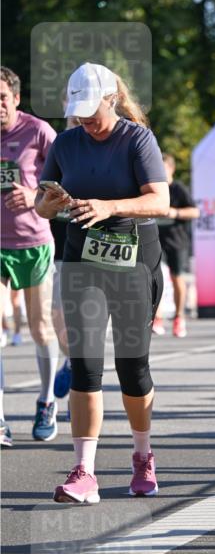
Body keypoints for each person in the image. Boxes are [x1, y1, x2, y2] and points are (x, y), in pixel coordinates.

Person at [35, 62, 169, 503]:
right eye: (79, 113)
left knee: (132, 367)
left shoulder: (137, 139)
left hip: (134, 260)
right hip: (83, 261)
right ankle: (84, 472)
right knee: (86, 362)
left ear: (111, 99)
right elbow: (41, 207)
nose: (86, 121)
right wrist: (51, 204)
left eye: (93, 111)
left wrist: (110, 208)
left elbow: (160, 201)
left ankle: (142, 455)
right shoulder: (68, 142)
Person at [1, 65, 59, 448]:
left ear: (16, 99)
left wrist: (34, 194)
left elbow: (64, 182)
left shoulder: (38, 131)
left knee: (40, 329)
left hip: (35, 243)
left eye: (1, 99)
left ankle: (47, 400)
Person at [153, 154, 200, 338]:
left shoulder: (178, 189)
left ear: (171, 169)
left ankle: (179, 317)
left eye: (163, 168)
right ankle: (157, 317)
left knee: (176, 277)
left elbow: (195, 211)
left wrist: (175, 212)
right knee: (155, 278)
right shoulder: (152, 188)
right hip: (156, 238)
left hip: (176, 240)